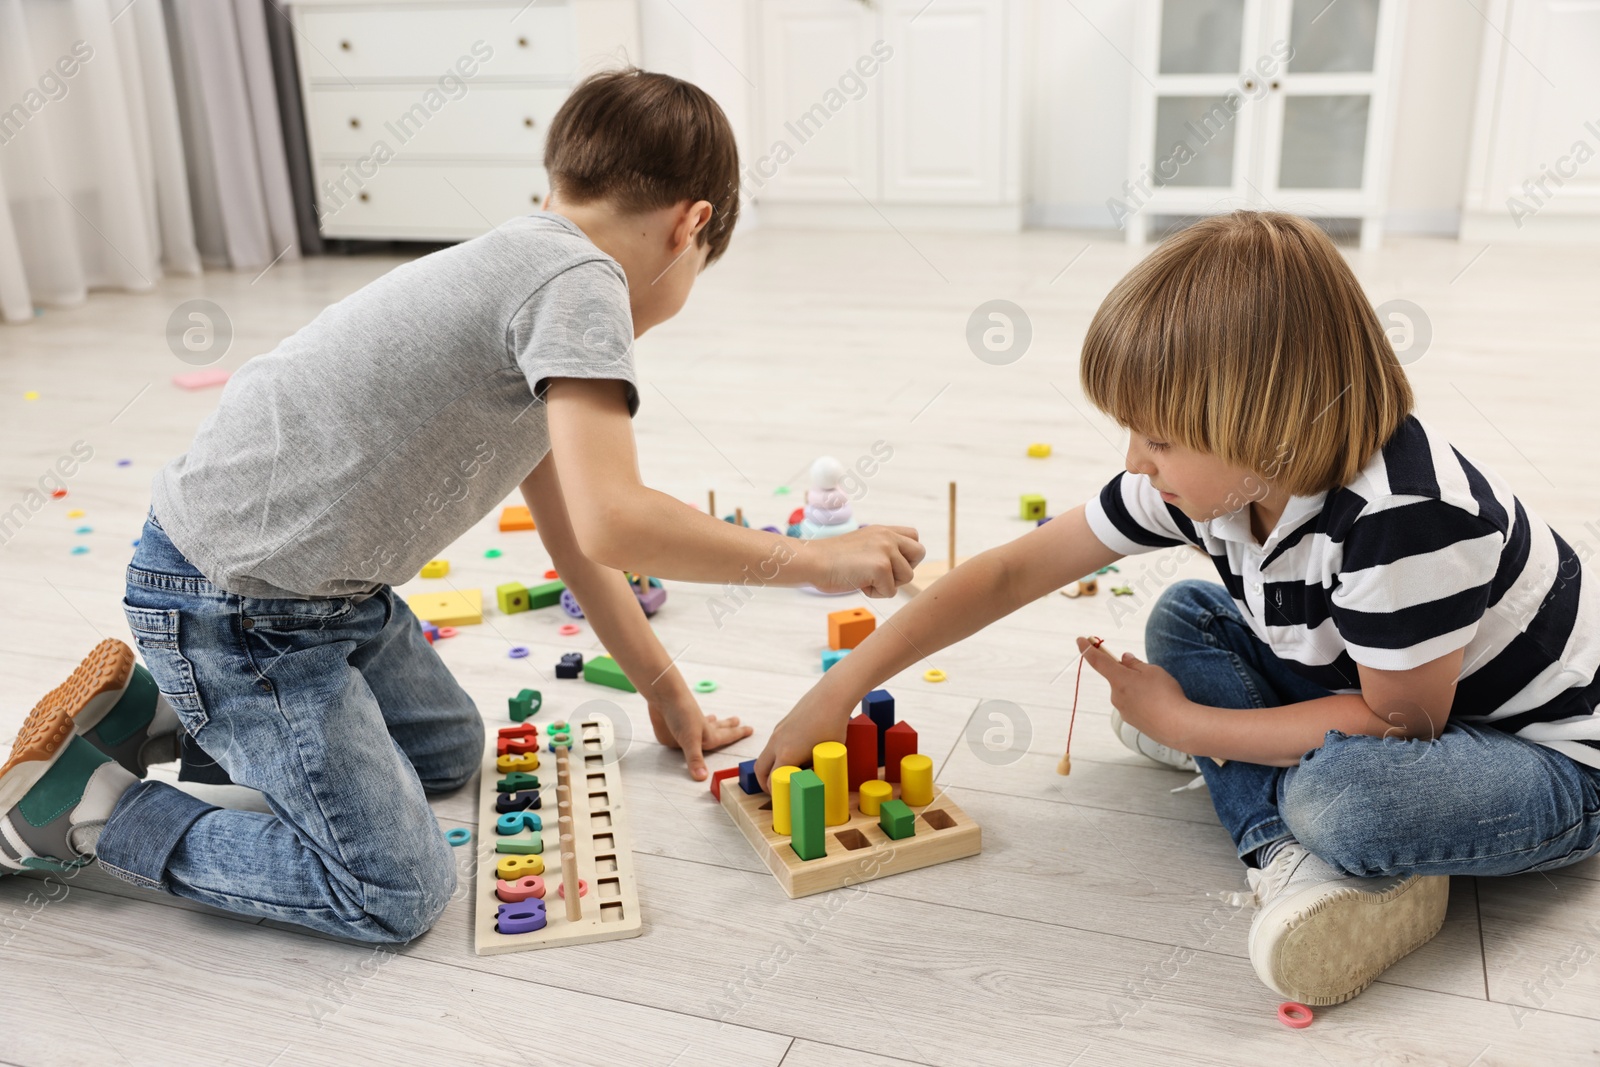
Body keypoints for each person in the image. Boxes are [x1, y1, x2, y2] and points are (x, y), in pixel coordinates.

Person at [0, 68, 923, 943]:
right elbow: (617, 519)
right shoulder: (583, 284)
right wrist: (816, 556)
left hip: (298, 589)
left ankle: (164, 711)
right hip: (238, 606)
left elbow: (577, 537)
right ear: (691, 226)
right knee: (391, 889)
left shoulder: (520, 270)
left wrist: (666, 693)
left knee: (446, 751)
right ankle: (84, 812)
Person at [756, 210, 1600, 1006]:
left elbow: (1399, 725)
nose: (1134, 459)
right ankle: (1293, 813)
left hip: (1543, 754)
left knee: (1342, 801)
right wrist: (837, 691)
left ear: (1262, 429)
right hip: (1390, 690)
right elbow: (1013, 572)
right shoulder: (1214, 482)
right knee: (1185, 618)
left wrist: (1192, 726)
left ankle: (1298, 849)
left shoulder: (1407, 520)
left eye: (1156, 438)